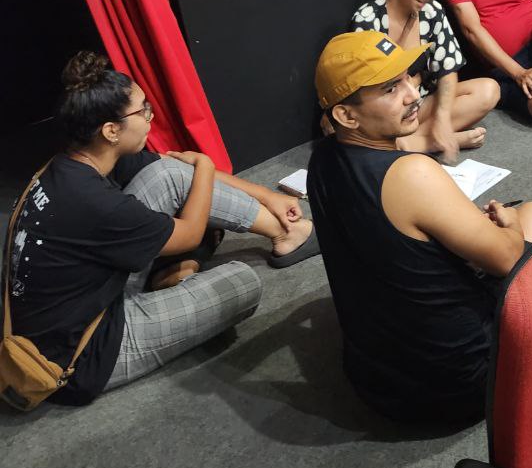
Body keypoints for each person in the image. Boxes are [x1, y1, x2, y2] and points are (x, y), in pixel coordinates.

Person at [5, 52, 318, 406]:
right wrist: (205, 164)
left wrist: (266, 195)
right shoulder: (96, 203)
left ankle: (284, 233)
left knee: (167, 175)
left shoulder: (70, 165)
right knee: (242, 284)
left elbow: (174, 169)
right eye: (143, 111)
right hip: (83, 355)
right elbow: (190, 232)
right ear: (111, 130)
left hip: (80, 303)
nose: (149, 117)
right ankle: (175, 276)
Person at [308, 30, 532, 424]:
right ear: (346, 116)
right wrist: (508, 228)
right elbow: (507, 259)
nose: (413, 94)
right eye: (390, 89)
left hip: (375, 382)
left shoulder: (321, 160)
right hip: (461, 387)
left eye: (408, 77)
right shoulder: (413, 173)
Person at [351, 0, 499, 164]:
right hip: (385, 110)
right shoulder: (368, 19)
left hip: (417, 104)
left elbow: (447, 69)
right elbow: (368, 91)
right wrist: (412, 82)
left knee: (488, 90)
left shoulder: (433, 12)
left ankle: (415, 142)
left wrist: (442, 119)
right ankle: (427, 143)